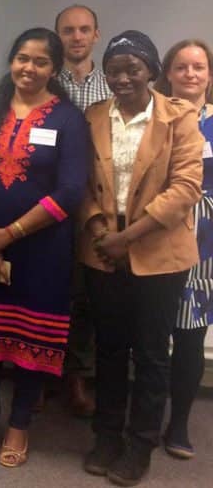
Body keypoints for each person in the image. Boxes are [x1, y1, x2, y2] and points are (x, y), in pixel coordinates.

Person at [0, 28, 89, 468]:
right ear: (11, 60)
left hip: (42, 251)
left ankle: (19, 425)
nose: (29, 68)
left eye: (40, 62)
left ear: (54, 68)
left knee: (33, 343)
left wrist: (7, 235)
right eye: (22, 59)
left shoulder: (68, 119)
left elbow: (70, 192)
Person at [80, 31, 203, 486]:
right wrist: (100, 231)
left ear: (152, 70)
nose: (123, 77)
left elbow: (186, 188)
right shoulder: (92, 117)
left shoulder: (179, 116)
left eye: (133, 67)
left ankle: (140, 444)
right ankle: (107, 436)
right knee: (109, 349)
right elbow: (81, 185)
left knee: (152, 354)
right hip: (102, 248)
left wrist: (126, 238)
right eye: (114, 69)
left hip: (159, 252)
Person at [153, 39, 213, 460]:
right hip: (156, 235)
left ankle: (178, 426)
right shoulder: (155, 119)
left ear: (209, 74)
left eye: (199, 67)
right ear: (168, 73)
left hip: (206, 246)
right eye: (181, 67)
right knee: (151, 334)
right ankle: (146, 416)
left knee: (191, 338)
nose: (190, 74)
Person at [53, 4, 111, 416]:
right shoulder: (42, 81)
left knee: (86, 299)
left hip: (95, 207)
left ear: (96, 34)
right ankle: (37, 377)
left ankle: (74, 379)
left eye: (83, 29)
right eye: (68, 30)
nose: (76, 36)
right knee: (47, 293)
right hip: (46, 204)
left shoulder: (116, 84)